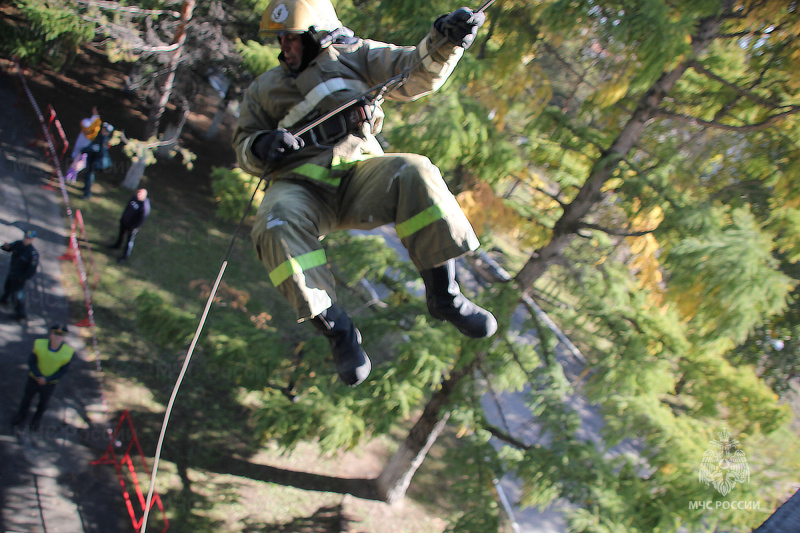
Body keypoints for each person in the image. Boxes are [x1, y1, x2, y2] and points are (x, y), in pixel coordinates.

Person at [233, 0, 496, 387]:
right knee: (274, 222)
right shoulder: (264, 89)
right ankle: (338, 331)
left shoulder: (355, 55)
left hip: (358, 177)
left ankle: (444, 296)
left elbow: (414, 71)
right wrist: (260, 146)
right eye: (281, 40)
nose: (285, 47)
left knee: (415, 170)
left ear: (317, 35)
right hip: (300, 190)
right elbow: (243, 145)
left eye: (293, 38)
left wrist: (447, 40)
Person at [11, 324, 75, 432]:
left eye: (60, 335)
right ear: (50, 334)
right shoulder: (39, 344)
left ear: (64, 337)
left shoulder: (68, 352)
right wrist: (38, 376)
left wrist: (47, 379)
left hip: (50, 383)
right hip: (34, 379)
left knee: (43, 402)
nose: (57, 337)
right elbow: (31, 362)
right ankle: (21, 414)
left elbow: (63, 371)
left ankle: (36, 419)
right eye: (55, 334)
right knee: (27, 398)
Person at [1, 229, 39, 322]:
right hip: (12, 272)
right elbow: (8, 248)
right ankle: (4, 300)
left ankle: (21, 314)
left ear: (33, 239)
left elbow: (32, 269)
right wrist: (5, 246)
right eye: (26, 237)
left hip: (19, 278)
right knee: (7, 287)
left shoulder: (33, 254)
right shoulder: (18, 244)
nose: (26, 240)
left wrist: (23, 278)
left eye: (29, 238)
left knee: (17, 296)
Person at [108, 188, 151, 263]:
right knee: (121, 235)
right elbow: (127, 207)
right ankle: (117, 245)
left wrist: (134, 227)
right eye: (138, 193)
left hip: (132, 227)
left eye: (140, 194)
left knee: (129, 241)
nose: (138, 195)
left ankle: (125, 256)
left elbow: (142, 219)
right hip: (124, 221)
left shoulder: (145, 206)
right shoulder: (134, 198)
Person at [66, 107, 102, 183]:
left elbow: (91, 131)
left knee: (80, 158)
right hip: (82, 138)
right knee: (75, 155)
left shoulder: (97, 121)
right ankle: (69, 175)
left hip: (86, 140)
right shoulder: (92, 118)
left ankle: (73, 177)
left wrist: (85, 130)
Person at [79, 121, 114, 199]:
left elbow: (95, 148)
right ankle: (86, 188)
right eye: (103, 129)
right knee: (87, 175)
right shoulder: (101, 137)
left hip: (94, 160)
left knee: (89, 176)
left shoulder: (104, 140)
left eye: (105, 130)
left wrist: (83, 150)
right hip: (92, 158)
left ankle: (87, 194)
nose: (103, 130)